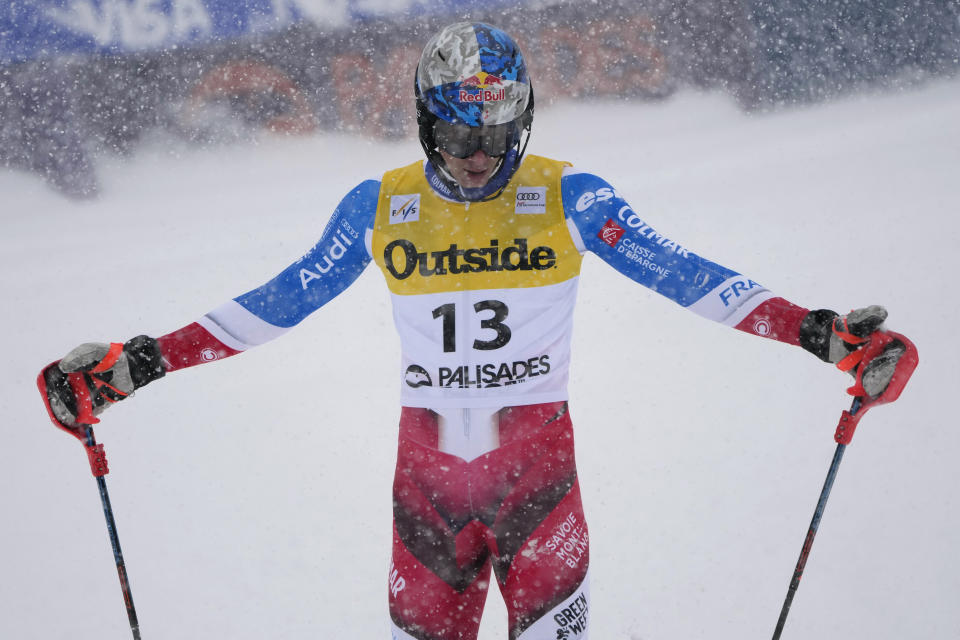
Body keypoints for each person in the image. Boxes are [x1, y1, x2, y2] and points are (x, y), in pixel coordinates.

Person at [39, 22, 914, 640]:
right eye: (458, 129)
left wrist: (823, 334)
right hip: (424, 501)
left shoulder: (572, 196)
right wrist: (136, 366)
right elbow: (279, 302)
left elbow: (689, 278)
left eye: (496, 131)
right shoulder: (381, 205)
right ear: (426, 117)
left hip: (541, 486)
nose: (476, 152)